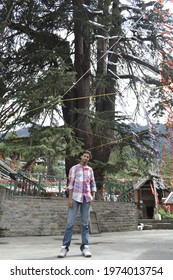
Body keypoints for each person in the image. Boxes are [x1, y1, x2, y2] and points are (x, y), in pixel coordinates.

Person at [58, 150, 96, 258]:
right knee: (70, 223)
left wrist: (92, 196)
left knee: (85, 224)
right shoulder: (74, 168)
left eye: (88, 157)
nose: (86, 158)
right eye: (84, 156)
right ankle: (64, 248)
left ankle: (85, 247)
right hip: (75, 198)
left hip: (86, 199)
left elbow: (93, 183)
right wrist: (70, 199)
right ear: (81, 157)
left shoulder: (90, 170)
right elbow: (70, 184)